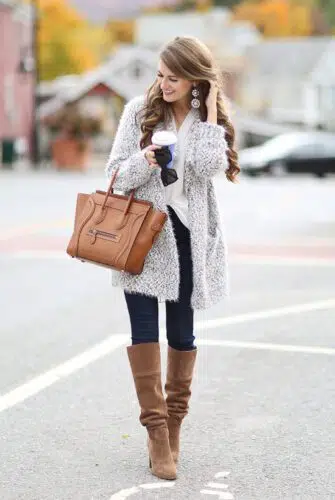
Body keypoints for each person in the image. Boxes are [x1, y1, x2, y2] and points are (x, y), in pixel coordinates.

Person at [105, 36, 239, 481]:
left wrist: (212, 112)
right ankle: (156, 434)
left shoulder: (205, 118)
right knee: (144, 333)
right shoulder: (138, 113)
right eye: (160, 74)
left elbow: (205, 168)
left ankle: (175, 427)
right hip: (143, 238)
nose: (163, 84)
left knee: (183, 336)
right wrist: (146, 158)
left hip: (188, 240)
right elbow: (115, 178)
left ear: (194, 78)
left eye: (174, 77)